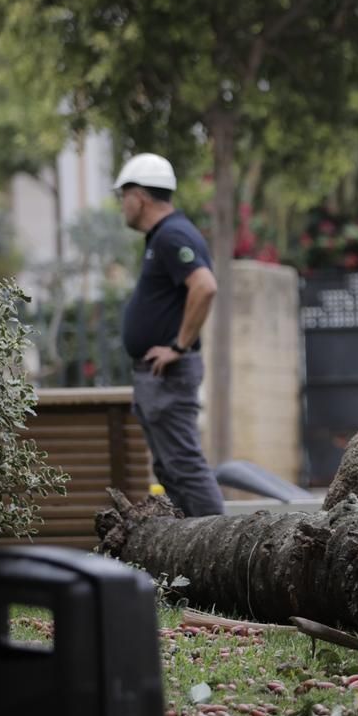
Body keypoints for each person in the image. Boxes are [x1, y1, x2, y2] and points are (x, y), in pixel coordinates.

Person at [115, 153, 226, 517]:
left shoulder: (173, 234)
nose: (122, 205)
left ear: (140, 196)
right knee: (170, 468)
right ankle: (190, 549)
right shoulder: (161, 237)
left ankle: (218, 548)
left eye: (123, 195)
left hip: (169, 374)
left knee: (185, 466)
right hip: (156, 376)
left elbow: (205, 286)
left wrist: (178, 346)